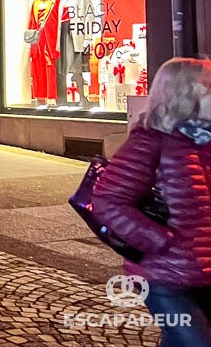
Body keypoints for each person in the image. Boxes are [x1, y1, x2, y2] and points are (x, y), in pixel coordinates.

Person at [93, 57, 211, 345]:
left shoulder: (203, 139)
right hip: (163, 276)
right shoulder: (151, 140)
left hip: (201, 271)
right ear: (186, 93)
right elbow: (107, 200)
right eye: (208, 87)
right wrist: (160, 241)